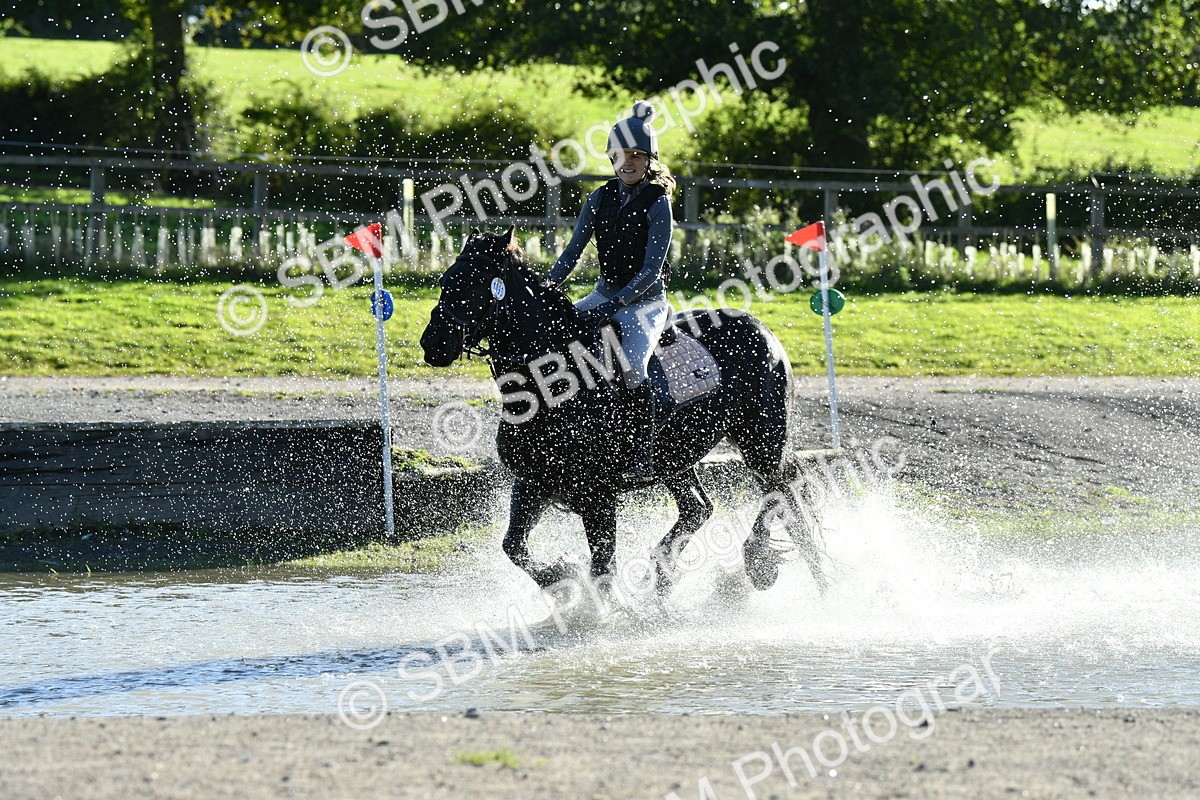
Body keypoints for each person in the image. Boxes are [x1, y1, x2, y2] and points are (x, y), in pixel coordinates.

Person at [543, 100, 677, 482]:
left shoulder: (658, 204)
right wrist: (547, 286)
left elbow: (651, 270)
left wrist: (617, 303)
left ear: (649, 160)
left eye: (637, 155)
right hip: (603, 294)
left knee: (632, 368)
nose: (628, 161)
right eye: (622, 154)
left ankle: (643, 453)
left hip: (645, 304)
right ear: (611, 157)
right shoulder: (598, 198)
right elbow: (572, 253)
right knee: (556, 336)